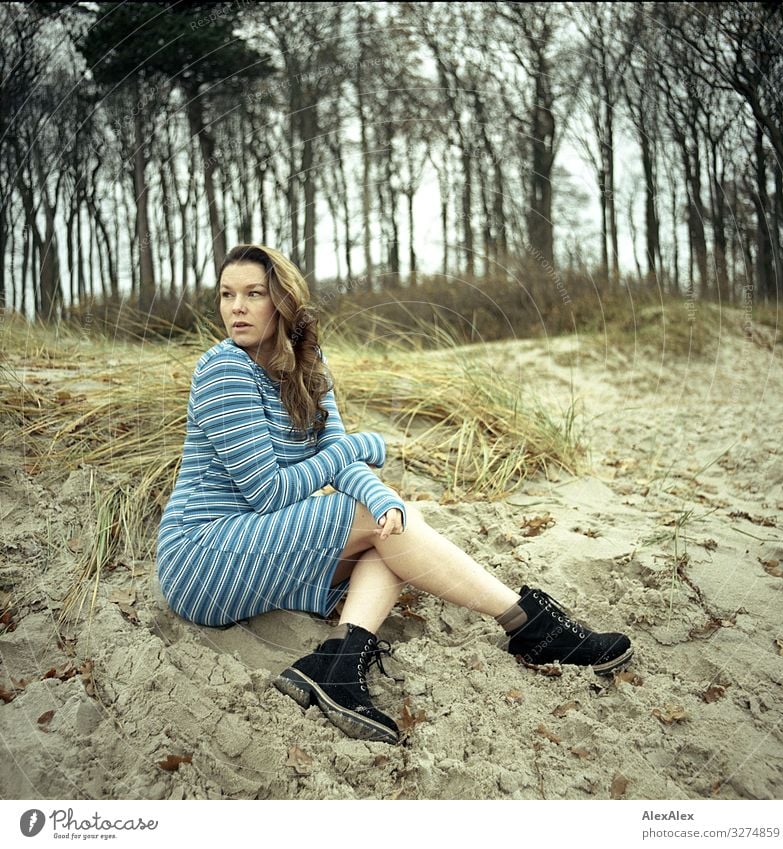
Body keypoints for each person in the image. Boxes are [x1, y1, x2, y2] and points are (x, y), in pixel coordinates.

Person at [156, 243, 633, 746]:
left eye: (254, 294)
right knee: (379, 520)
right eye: (227, 294)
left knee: (393, 526)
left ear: (283, 303)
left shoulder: (309, 366)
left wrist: (383, 500)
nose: (236, 307)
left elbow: (341, 461)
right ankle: (529, 624)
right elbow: (268, 493)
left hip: (255, 549)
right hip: (201, 557)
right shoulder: (224, 369)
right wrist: (358, 452)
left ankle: (338, 662)